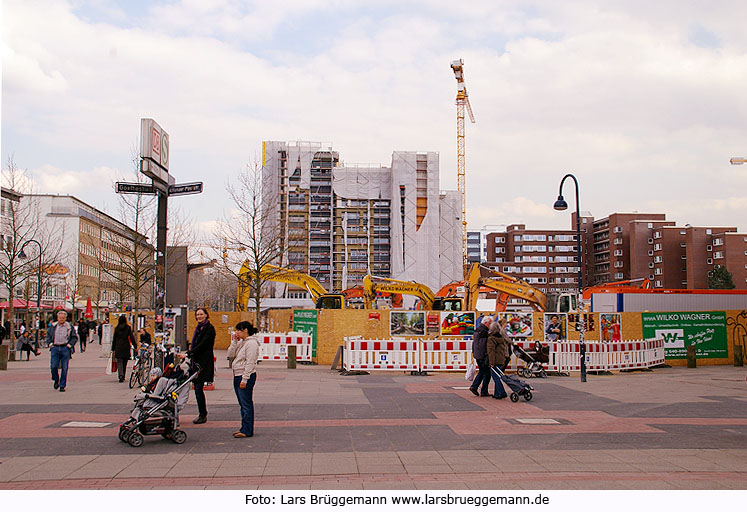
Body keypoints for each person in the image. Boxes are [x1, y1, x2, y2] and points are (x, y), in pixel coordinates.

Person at [227, 320, 260, 438]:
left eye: (238, 330)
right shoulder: (242, 343)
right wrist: (234, 342)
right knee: (242, 403)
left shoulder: (251, 344)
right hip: (237, 374)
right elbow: (230, 354)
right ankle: (244, 427)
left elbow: (250, 362)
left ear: (245, 330)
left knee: (246, 403)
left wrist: (245, 379)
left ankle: (247, 429)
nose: (236, 333)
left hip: (244, 375)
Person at [188, 307, 215, 424]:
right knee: (197, 389)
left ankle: (202, 414)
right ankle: (202, 413)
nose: (199, 316)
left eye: (201, 314)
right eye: (197, 314)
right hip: (196, 361)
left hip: (203, 362)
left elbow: (203, 344)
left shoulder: (209, 329)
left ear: (206, 315)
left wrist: (191, 352)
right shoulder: (199, 328)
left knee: (198, 388)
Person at [46, 310, 77, 392]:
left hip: (65, 348)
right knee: (53, 366)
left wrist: (70, 345)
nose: (61, 319)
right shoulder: (53, 326)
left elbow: (74, 337)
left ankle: (62, 385)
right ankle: (56, 379)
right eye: (60, 318)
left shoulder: (69, 326)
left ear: (65, 318)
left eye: (63, 318)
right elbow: (48, 335)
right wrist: (50, 344)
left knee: (65, 367)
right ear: (57, 318)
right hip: (55, 347)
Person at [469, 315, 493, 397]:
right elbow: (483, 345)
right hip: (482, 355)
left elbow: (475, 343)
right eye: (490, 323)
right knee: (486, 372)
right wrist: (486, 355)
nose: (491, 325)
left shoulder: (477, 330)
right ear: (486, 323)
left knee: (483, 371)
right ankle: (478, 388)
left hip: (478, 354)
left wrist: (474, 352)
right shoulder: (484, 331)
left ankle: (477, 388)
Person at [486, 317, 510, 399]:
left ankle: (501, 393)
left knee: (496, 378)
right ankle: (498, 393)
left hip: (495, 360)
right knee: (498, 376)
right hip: (501, 359)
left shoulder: (491, 338)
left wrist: (491, 362)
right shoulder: (501, 337)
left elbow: (491, 351)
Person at [111, 315, 137, 383]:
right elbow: (131, 337)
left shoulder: (116, 328)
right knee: (125, 362)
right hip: (126, 346)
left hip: (118, 346)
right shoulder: (128, 328)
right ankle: (123, 375)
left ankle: (120, 375)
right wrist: (135, 345)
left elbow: (114, 339)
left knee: (119, 361)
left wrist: (113, 348)